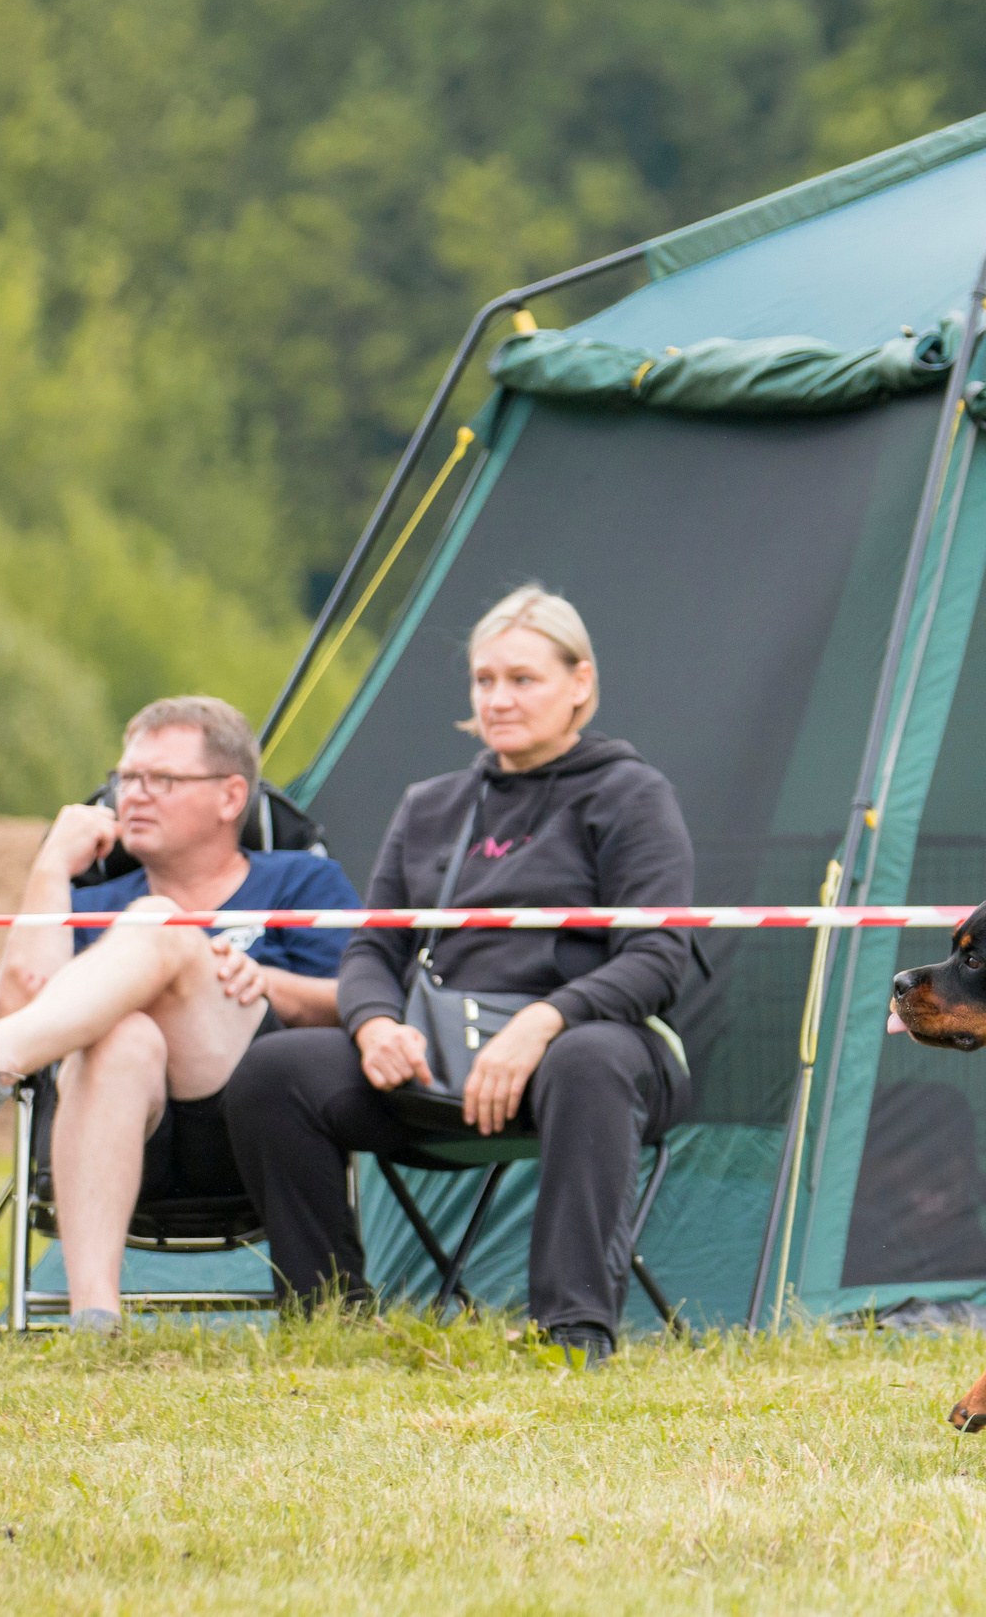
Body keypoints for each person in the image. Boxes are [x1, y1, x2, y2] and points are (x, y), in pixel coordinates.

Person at [223, 583, 694, 1366]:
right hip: (441, 1058)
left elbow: (657, 958)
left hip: (593, 1052)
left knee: (587, 1059)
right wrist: (375, 1025)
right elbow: (373, 950)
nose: (498, 699)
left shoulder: (633, 794)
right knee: (275, 1070)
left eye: (523, 679)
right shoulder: (431, 805)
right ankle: (326, 1323)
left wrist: (542, 1024)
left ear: (580, 683)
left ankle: (573, 1333)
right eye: (484, 680)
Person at [0, 697, 364, 1330]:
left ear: (231, 796)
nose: (133, 795)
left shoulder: (299, 881)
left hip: (251, 1130)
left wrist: (267, 981)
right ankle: (95, 1318)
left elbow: (359, 1001)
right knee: (124, 1034)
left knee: (157, 923)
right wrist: (51, 866)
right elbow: (20, 1005)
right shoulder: (94, 898)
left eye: (162, 779)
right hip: (110, 1130)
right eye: (126, 778)